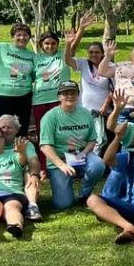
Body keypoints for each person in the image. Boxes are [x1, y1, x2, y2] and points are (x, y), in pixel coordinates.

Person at [37, 81, 105, 210]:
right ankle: (66, 191)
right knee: (63, 204)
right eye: (65, 94)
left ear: (78, 95)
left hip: (80, 155)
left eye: (73, 93)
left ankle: (84, 194)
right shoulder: (50, 117)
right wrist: (61, 165)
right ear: (59, 96)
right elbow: (45, 146)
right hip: (59, 159)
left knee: (98, 164)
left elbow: (92, 140)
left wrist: (83, 153)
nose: (69, 96)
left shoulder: (86, 113)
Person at [64, 13, 113, 153]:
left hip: (103, 112)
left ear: (103, 53)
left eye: (97, 52)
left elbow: (114, 89)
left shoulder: (110, 66)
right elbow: (67, 60)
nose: (93, 55)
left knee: (101, 142)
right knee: (83, 141)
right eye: (91, 52)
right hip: (84, 110)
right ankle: (81, 161)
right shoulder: (84, 64)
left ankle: (100, 163)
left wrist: (106, 104)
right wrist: (68, 43)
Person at [30, 30, 70, 165]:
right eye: (47, 43)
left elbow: (73, 46)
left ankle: (64, 162)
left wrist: (80, 30)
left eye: (53, 43)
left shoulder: (63, 55)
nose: (50, 46)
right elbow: (29, 77)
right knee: (43, 134)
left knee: (62, 132)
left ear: (57, 44)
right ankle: (44, 166)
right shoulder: (35, 59)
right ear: (41, 44)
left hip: (60, 100)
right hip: (39, 101)